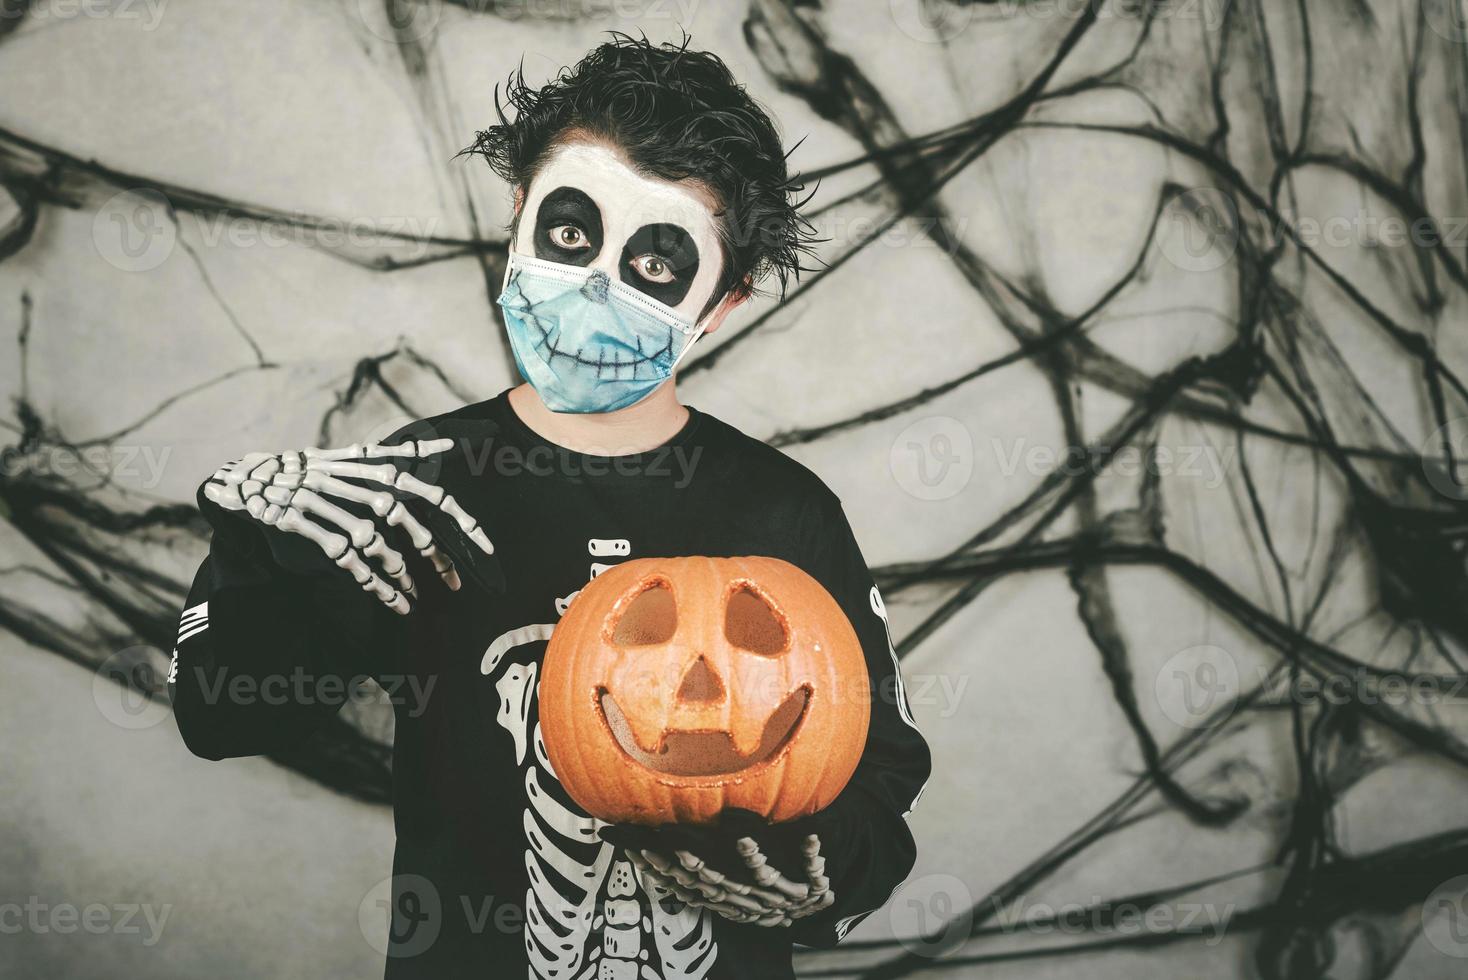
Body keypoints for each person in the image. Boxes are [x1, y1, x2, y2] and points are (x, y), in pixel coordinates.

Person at [169, 34, 931, 980]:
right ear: (520, 217)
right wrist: (263, 535)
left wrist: (820, 883)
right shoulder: (412, 487)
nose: (596, 285)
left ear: (720, 304)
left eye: (657, 261)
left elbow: (877, 786)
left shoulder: (785, 514)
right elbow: (221, 714)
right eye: (572, 234)